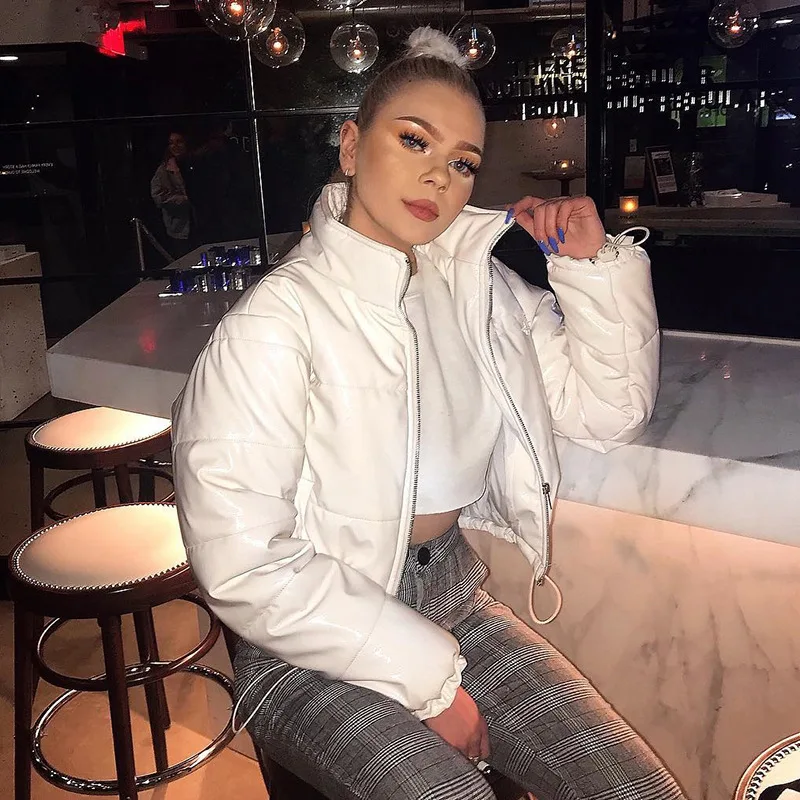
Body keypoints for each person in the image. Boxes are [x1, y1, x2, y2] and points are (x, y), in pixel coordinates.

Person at [172, 27, 686, 800]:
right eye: (413, 140)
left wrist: (590, 266)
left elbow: (608, 412)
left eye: (462, 162)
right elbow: (246, 566)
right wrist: (428, 682)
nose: (437, 176)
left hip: (452, 600)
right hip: (302, 646)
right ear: (351, 147)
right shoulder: (277, 321)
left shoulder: (480, 289)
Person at [150, 132, 192, 256]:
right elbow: (158, 197)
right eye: (171, 143)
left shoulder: (195, 164)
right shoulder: (164, 170)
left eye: (179, 141)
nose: (175, 146)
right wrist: (184, 199)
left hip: (200, 224)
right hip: (179, 228)